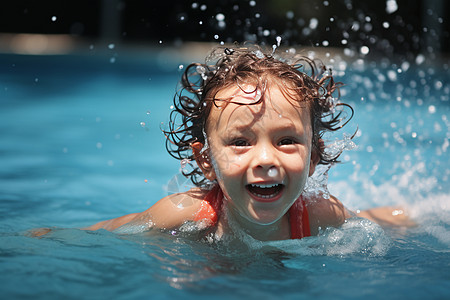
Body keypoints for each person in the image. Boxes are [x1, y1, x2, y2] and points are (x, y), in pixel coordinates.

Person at [36, 45, 413, 240]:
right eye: (240, 142)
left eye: (286, 140)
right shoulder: (187, 214)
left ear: (312, 157)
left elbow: (372, 221)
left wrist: (412, 218)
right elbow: (110, 231)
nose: (266, 159)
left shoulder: (318, 215)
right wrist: (45, 236)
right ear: (205, 161)